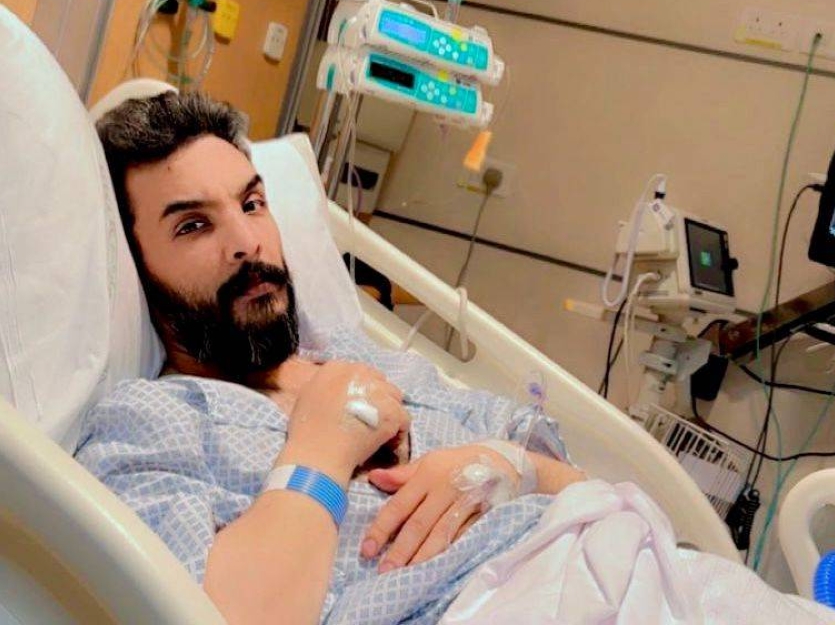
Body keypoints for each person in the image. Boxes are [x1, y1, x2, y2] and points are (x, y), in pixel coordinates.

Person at [76, 91, 584, 625]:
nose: (247, 241)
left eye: (252, 204)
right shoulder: (151, 425)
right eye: (192, 225)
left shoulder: (363, 356)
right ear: (137, 265)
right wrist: (323, 450)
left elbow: (580, 482)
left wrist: (507, 465)